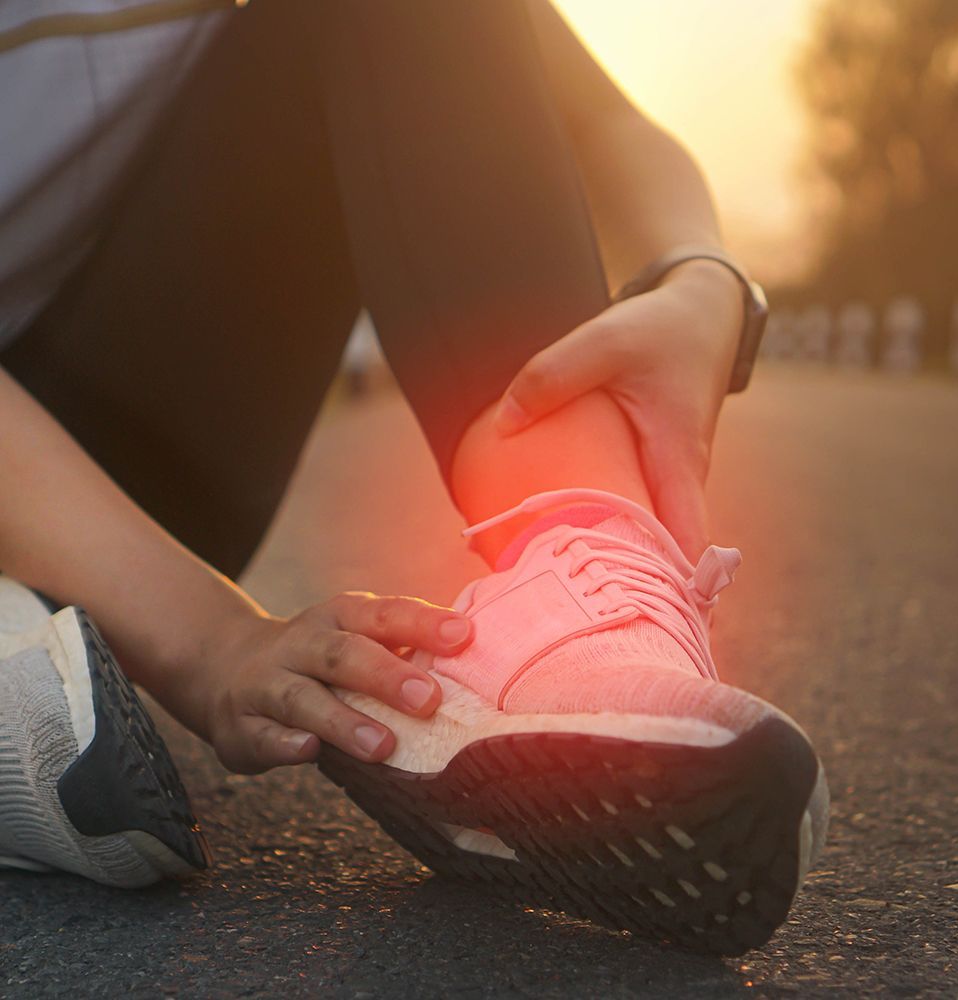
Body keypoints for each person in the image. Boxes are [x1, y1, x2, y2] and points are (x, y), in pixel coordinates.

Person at [0, 0, 827, 954]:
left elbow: (607, 119)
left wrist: (705, 275)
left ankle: (579, 597)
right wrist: (211, 640)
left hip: (123, 458)